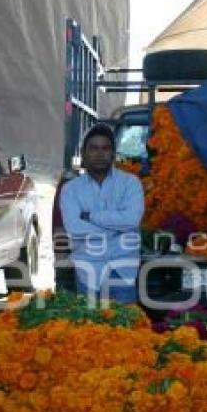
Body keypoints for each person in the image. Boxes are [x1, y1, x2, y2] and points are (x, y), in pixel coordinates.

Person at [60, 123, 145, 304]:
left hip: (123, 272)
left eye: (105, 148)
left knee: (126, 330)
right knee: (89, 330)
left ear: (113, 153)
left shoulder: (130, 183)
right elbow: (74, 228)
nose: (100, 154)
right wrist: (118, 227)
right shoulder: (70, 190)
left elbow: (131, 220)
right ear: (83, 153)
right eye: (94, 148)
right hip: (87, 273)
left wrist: (91, 216)